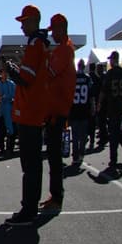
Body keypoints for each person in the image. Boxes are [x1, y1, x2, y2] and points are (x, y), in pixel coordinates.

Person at [3, 4, 50, 225]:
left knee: (29, 165)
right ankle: (30, 207)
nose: (22, 26)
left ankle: (28, 209)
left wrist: (12, 70)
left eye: (24, 22)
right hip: (35, 109)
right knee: (33, 164)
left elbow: (26, 79)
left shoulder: (35, 44)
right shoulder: (40, 43)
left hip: (30, 111)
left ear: (34, 21)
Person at [40, 14, 75, 211]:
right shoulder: (64, 49)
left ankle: (57, 197)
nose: (52, 34)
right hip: (55, 109)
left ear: (61, 28)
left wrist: (43, 53)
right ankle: (55, 194)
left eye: (54, 30)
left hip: (58, 110)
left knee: (54, 156)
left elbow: (48, 73)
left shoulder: (64, 50)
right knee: (52, 155)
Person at [98, 50, 122, 176]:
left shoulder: (110, 73)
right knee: (118, 130)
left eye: (110, 59)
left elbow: (103, 90)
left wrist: (99, 103)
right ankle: (117, 152)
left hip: (112, 107)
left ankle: (113, 159)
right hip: (121, 106)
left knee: (113, 132)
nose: (109, 62)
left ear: (113, 59)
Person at [67, 59, 95, 169]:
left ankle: (75, 156)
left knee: (75, 135)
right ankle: (81, 154)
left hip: (74, 110)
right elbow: (92, 95)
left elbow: (69, 95)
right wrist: (93, 107)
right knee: (83, 136)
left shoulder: (73, 78)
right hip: (84, 110)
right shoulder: (88, 78)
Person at [0, 67, 16, 158]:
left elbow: (14, 96)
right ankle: (2, 148)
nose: (4, 74)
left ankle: (10, 148)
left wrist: (7, 98)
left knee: (11, 130)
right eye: (3, 72)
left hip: (10, 109)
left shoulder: (11, 84)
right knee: (2, 130)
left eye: (6, 73)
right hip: (1, 110)